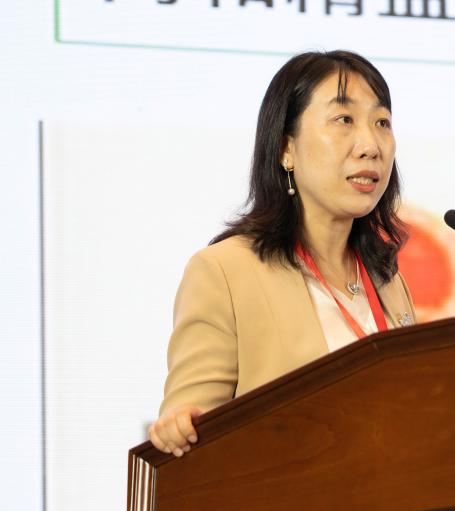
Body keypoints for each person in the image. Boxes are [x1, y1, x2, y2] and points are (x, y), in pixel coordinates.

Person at [147, 50, 416, 458]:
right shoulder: (225, 271)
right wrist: (181, 425)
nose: (370, 145)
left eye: (382, 123)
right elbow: (190, 425)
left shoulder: (386, 278)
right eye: (344, 120)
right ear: (285, 148)